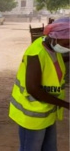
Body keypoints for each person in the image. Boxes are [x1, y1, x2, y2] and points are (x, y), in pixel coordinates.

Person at [10, 17, 69, 151]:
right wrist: (66, 105)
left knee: (49, 148)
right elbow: (33, 89)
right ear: (54, 38)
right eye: (67, 44)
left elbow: (53, 62)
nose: (69, 47)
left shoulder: (51, 48)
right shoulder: (36, 53)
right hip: (32, 113)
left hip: (46, 110)